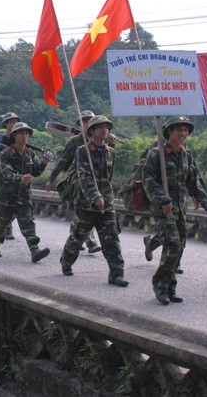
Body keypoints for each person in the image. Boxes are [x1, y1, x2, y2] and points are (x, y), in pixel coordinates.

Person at [142, 116, 207, 305]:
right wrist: (162, 199)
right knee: (173, 243)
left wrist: (205, 202)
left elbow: (193, 180)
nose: (183, 134)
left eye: (185, 130)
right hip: (163, 208)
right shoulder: (157, 153)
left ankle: (170, 287)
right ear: (169, 132)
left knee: (179, 247)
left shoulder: (185, 155)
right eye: (178, 130)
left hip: (180, 209)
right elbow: (148, 180)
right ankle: (160, 284)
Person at [59, 116, 128, 286]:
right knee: (77, 237)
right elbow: (84, 177)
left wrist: (104, 196)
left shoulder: (111, 152)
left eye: (107, 127)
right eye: (100, 127)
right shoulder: (82, 151)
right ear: (92, 131)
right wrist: (95, 196)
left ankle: (116, 274)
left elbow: (107, 177)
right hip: (86, 203)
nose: (105, 130)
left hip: (107, 203)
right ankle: (66, 262)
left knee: (111, 239)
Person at [0, 122, 51, 262]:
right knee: (1, 224)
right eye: (21, 133)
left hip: (23, 196)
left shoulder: (30, 153)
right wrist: (20, 178)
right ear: (15, 135)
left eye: (27, 133)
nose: (25, 136)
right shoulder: (6, 153)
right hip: (7, 197)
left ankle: (34, 250)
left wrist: (44, 163)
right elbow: (6, 172)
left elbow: (35, 171)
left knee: (28, 223)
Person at [45, 110, 102, 254]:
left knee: (83, 214)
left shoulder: (101, 141)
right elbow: (62, 162)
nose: (88, 123)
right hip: (77, 181)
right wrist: (51, 179)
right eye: (84, 121)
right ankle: (91, 242)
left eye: (90, 120)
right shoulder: (75, 142)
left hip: (94, 182)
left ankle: (75, 238)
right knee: (85, 210)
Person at [0, 111, 21, 240]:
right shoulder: (0, 142)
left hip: (16, 179)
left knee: (16, 207)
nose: (14, 124)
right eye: (12, 122)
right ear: (5, 125)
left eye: (16, 122)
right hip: (3, 179)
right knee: (2, 208)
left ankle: (5, 227)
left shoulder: (20, 141)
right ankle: (0, 232)